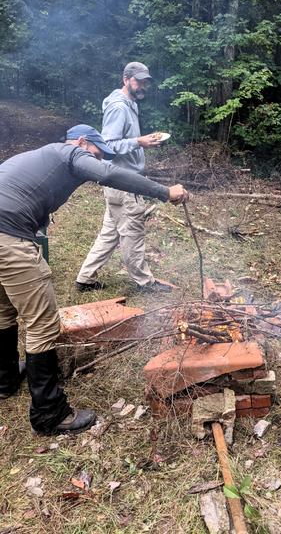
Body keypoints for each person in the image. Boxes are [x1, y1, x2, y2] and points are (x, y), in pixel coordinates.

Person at [0, 124, 189, 436]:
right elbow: (110, 174)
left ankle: (5, 380)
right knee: (42, 324)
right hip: (8, 239)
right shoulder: (70, 152)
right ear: (83, 142)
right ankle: (50, 413)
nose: (98, 160)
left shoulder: (34, 156)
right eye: (98, 153)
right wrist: (164, 192)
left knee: (4, 311)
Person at [76, 61, 172, 293]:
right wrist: (138, 142)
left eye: (145, 82)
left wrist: (143, 144)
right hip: (124, 182)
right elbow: (108, 145)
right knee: (133, 233)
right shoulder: (119, 107)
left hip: (117, 181)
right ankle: (144, 283)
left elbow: (123, 141)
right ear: (126, 79)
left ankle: (85, 278)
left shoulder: (129, 104)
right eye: (138, 81)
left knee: (110, 232)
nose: (143, 86)